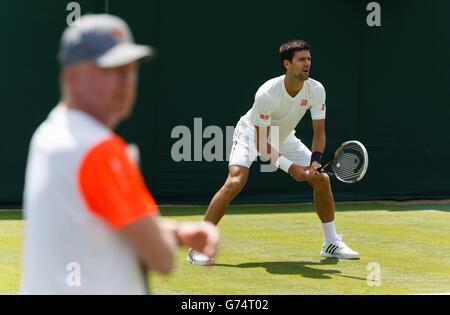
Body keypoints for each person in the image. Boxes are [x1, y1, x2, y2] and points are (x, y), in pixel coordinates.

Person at [21, 14, 219, 294]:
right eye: (110, 69)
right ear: (72, 77)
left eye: (130, 68)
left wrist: (176, 232)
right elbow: (161, 258)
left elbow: (109, 224)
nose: (126, 80)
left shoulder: (48, 134)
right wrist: (168, 237)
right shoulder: (99, 149)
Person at [188, 39, 358, 265]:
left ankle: (331, 243)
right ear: (287, 64)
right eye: (301, 60)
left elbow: (319, 133)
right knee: (235, 182)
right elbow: (260, 141)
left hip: (283, 136)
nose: (307, 63)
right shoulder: (267, 93)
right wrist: (291, 168)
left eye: (308, 58)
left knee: (322, 179)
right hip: (252, 134)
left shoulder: (316, 90)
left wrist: (315, 162)